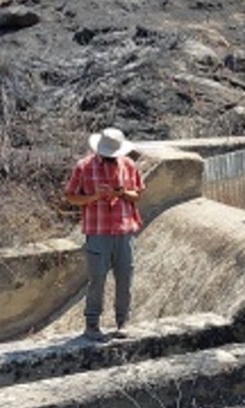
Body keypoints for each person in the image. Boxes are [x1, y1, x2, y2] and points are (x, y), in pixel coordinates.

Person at [63, 127, 144, 341]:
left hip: (124, 231)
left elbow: (137, 195)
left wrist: (122, 193)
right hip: (97, 232)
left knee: (125, 279)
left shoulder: (128, 165)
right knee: (96, 279)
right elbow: (71, 197)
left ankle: (123, 322)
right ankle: (92, 325)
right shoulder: (84, 167)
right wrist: (94, 196)